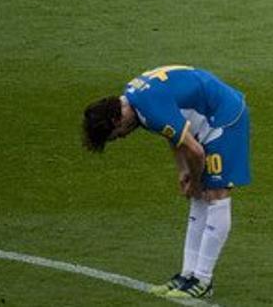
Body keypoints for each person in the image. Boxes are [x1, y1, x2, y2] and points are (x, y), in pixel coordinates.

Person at [81, 66, 252, 300]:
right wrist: (183, 169)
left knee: (215, 195)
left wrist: (194, 179)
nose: (123, 137)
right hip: (204, 119)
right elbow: (175, 131)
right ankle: (187, 275)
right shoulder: (134, 99)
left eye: (118, 133)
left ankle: (203, 279)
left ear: (116, 118)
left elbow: (197, 152)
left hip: (223, 117)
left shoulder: (149, 109)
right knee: (198, 196)